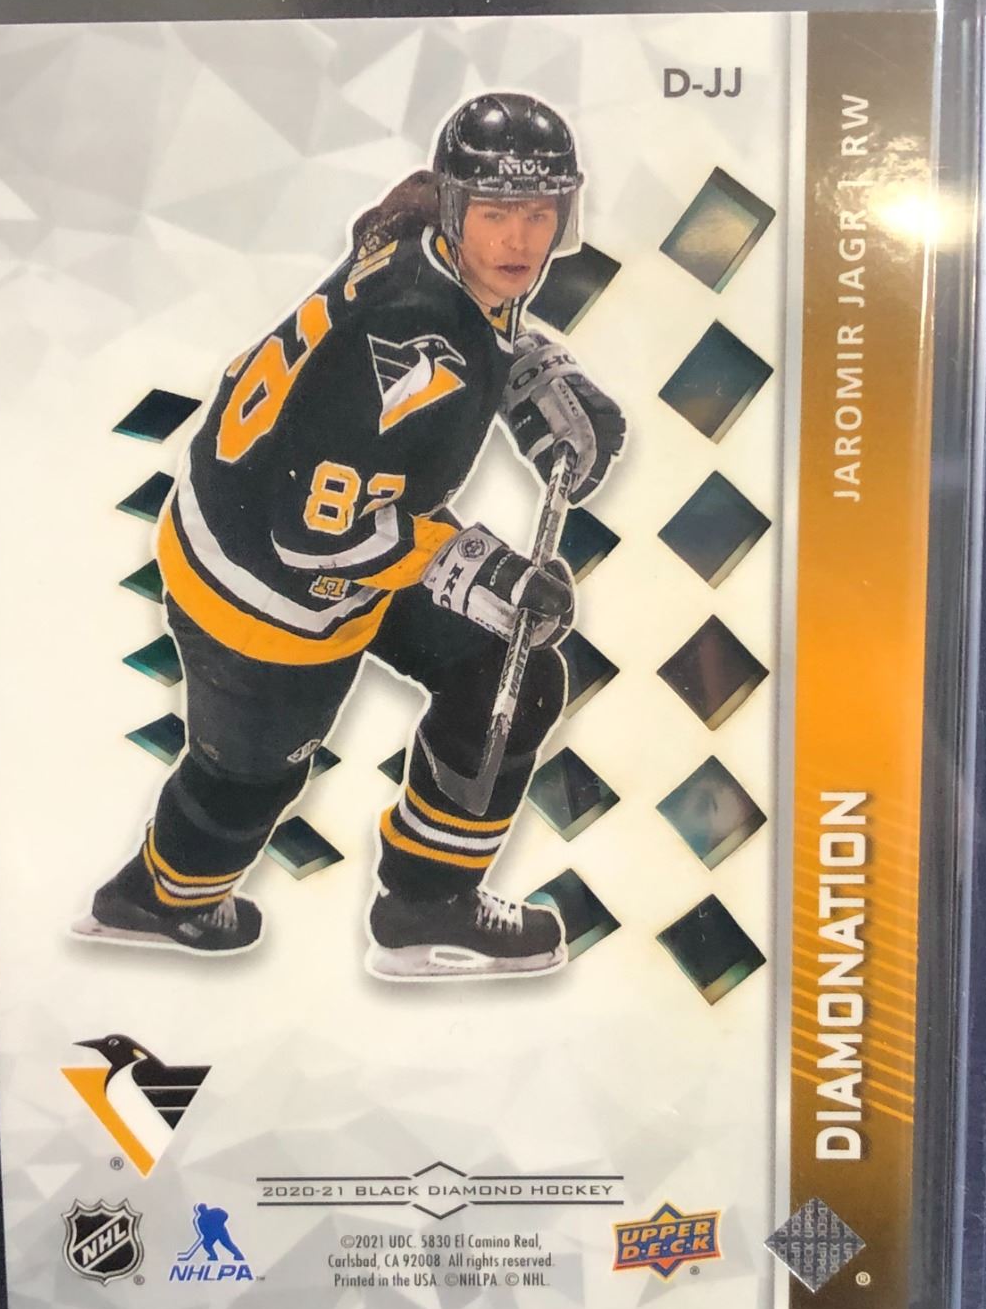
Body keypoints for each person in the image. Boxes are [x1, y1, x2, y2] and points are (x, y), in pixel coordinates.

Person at [76, 93, 625, 980]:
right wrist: (479, 570)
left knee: (510, 675)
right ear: (457, 206)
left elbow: (428, 329)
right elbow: (313, 532)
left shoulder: (413, 223)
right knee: (248, 780)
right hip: (262, 586)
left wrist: (530, 362)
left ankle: (426, 906)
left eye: (538, 212)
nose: (519, 240)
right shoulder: (423, 335)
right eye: (496, 213)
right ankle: (158, 901)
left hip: (271, 508)